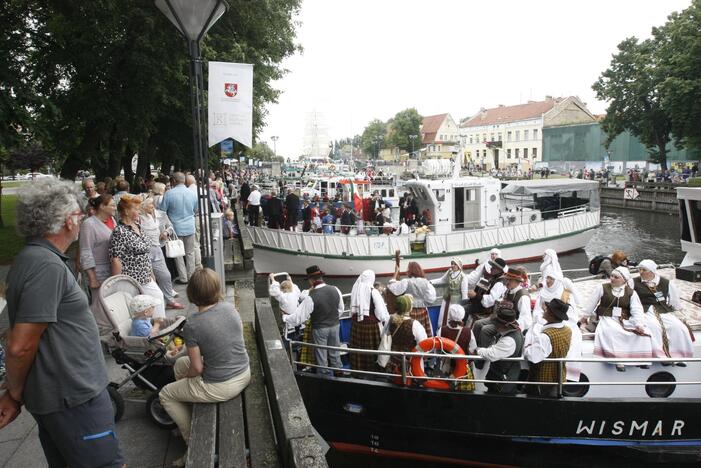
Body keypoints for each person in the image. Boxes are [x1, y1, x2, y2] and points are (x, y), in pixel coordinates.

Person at [0, 178, 124, 466]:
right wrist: (14, 393)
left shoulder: (34, 258)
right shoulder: (45, 266)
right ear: (69, 221)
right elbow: (20, 346)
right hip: (75, 399)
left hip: (67, 397)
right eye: (79, 216)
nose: (80, 222)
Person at [159, 268, 251, 467]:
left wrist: (188, 379)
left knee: (166, 394)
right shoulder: (229, 308)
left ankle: (193, 444)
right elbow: (219, 341)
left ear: (192, 294)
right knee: (181, 364)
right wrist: (185, 351)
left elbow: (198, 369)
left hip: (222, 385)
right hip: (243, 371)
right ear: (217, 288)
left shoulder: (193, 324)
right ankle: (189, 416)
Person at [109, 194, 167, 333]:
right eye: (136, 208)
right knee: (134, 309)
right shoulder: (119, 231)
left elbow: (145, 252)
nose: (139, 211)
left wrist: (151, 272)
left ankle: (157, 328)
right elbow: (115, 258)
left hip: (144, 275)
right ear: (127, 211)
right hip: (130, 278)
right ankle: (145, 334)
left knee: (157, 297)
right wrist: (117, 282)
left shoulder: (137, 225)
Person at [580, 266, 652, 371]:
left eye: (616, 277)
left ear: (624, 279)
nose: (612, 278)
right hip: (606, 317)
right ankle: (619, 360)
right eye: (612, 276)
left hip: (624, 319)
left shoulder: (631, 292)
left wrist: (638, 324)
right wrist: (584, 316)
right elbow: (590, 304)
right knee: (612, 330)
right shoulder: (602, 288)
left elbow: (637, 309)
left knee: (642, 333)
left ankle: (641, 359)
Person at [283, 266, 344, 375]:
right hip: (335, 325)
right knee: (335, 352)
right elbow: (341, 309)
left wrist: (285, 317)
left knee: (321, 354)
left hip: (320, 328)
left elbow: (298, 318)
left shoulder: (311, 297)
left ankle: (324, 376)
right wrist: (332, 318)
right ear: (321, 277)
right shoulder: (336, 289)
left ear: (311, 280)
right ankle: (339, 373)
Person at [634, 259, 693, 362]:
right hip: (644, 310)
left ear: (652, 271)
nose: (641, 272)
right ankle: (660, 356)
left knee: (678, 327)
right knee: (654, 326)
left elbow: (674, 302)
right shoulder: (633, 282)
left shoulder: (666, 283)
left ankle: (679, 356)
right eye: (640, 269)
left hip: (663, 310)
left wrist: (678, 313)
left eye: (644, 270)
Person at [532, 267, 582, 382]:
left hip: (562, 321)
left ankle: (567, 370)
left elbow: (572, 315)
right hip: (544, 320)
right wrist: (540, 317)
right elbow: (537, 309)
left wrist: (556, 318)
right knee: (535, 330)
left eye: (551, 278)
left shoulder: (565, 294)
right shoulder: (543, 292)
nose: (548, 280)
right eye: (547, 277)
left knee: (571, 337)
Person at [140, 197, 183, 310]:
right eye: (149, 205)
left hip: (160, 246)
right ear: (143, 206)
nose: (152, 206)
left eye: (153, 204)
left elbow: (170, 226)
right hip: (146, 250)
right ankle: (155, 303)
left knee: (165, 275)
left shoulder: (161, 214)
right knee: (150, 278)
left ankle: (169, 299)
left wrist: (165, 232)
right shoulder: (140, 218)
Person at [525, 298, 572, 397]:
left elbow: (533, 357)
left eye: (546, 309)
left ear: (551, 315)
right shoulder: (567, 330)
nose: (544, 310)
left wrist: (528, 348)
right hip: (560, 375)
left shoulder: (545, 336)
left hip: (544, 379)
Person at [472, 269, 531, 348]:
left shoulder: (523, 296)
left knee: (485, 330)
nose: (506, 282)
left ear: (517, 281)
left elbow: (526, 319)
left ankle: (483, 355)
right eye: (506, 279)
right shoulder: (509, 290)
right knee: (477, 324)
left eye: (509, 280)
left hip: (510, 324)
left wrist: (513, 328)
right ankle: (474, 348)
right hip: (500, 319)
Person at [475, 304, 524, 394]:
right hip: (503, 379)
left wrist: (477, 350)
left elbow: (491, 355)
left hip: (502, 383)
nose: (494, 325)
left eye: (496, 323)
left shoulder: (509, 341)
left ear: (504, 325)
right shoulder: (513, 332)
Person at [160, 172, 198, 284]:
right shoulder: (192, 193)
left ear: (174, 181)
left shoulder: (168, 194)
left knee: (178, 253)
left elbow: (162, 211)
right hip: (190, 226)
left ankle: (183, 277)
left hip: (175, 227)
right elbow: (196, 210)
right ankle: (191, 276)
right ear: (184, 181)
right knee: (190, 253)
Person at [349, 270, 390, 372]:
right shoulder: (373, 292)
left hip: (356, 325)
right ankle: (373, 369)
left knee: (359, 348)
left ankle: (359, 369)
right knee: (372, 349)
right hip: (371, 327)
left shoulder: (355, 290)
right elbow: (381, 313)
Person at [79, 195, 117, 299]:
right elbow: (85, 251)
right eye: (112, 205)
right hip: (99, 273)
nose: (115, 208)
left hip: (113, 270)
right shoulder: (89, 224)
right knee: (101, 305)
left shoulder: (112, 220)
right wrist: (92, 278)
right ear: (102, 207)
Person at [388, 261, 436, 337]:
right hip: (422, 311)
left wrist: (395, 273)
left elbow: (393, 289)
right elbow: (431, 299)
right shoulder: (426, 282)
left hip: (409, 311)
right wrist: (423, 302)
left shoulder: (406, 282)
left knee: (410, 331)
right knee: (422, 332)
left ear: (410, 271)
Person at [383, 295, 427, 376]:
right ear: (409, 308)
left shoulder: (389, 320)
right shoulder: (415, 325)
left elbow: (384, 335)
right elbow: (423, 343)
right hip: (411, 365)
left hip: (393, 362)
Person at [437, 304, 477, 391]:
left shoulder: (441, 330)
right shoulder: (468, 331)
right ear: (462, 316)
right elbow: (472, 350)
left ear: (449, 315)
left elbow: (438, 349)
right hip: (462, 369)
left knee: (445, 390)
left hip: (446, 367)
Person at [431, 258, 469, 329]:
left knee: (452, 316)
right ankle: (442, 330)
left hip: (455, 301)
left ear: (459, 265)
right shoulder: (450, 272)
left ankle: (452, 331)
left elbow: (464, 293)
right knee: (443, 316)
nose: (452, 265)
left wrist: (463, 306)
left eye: (455, 264)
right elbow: (442, 280)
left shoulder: (463, 277)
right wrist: (431, 282)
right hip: (446, 299)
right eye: (452, 263)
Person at [268, 273, 302, 339]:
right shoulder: (295, 293)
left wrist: (273, 279)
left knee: (284, 324)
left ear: (282, 289)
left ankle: (285, 336)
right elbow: (295, 287)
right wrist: (290, 280)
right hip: (296, 316)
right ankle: (297, 332)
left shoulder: (283, 296)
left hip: (287, 317)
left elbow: (275, 291)